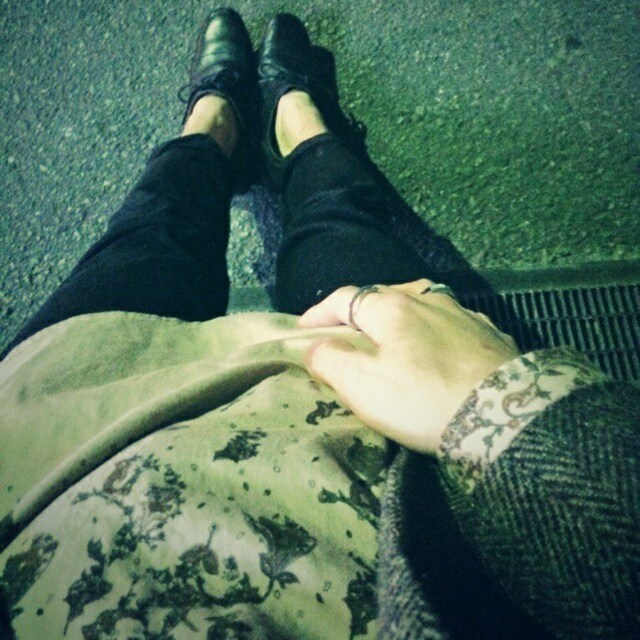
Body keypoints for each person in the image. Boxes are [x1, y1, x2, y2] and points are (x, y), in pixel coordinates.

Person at [0, 9, 637, 640]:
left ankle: (214, 126)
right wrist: (501, 407)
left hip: (59, 431)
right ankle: (298, 121)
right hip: (381, 457)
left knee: (151, 227)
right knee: (340, 219)